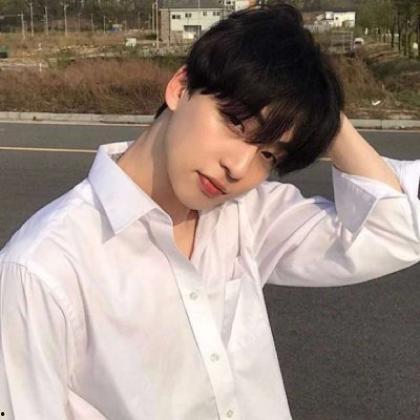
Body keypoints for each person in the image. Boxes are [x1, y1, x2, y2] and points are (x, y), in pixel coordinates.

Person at [0, 3, 419, 420]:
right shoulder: (44, 269)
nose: (238, 167)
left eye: (269, 155)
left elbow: (395, 232)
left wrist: (316, 105)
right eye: (236, 124)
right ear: (180, 87)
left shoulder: (247, 213)